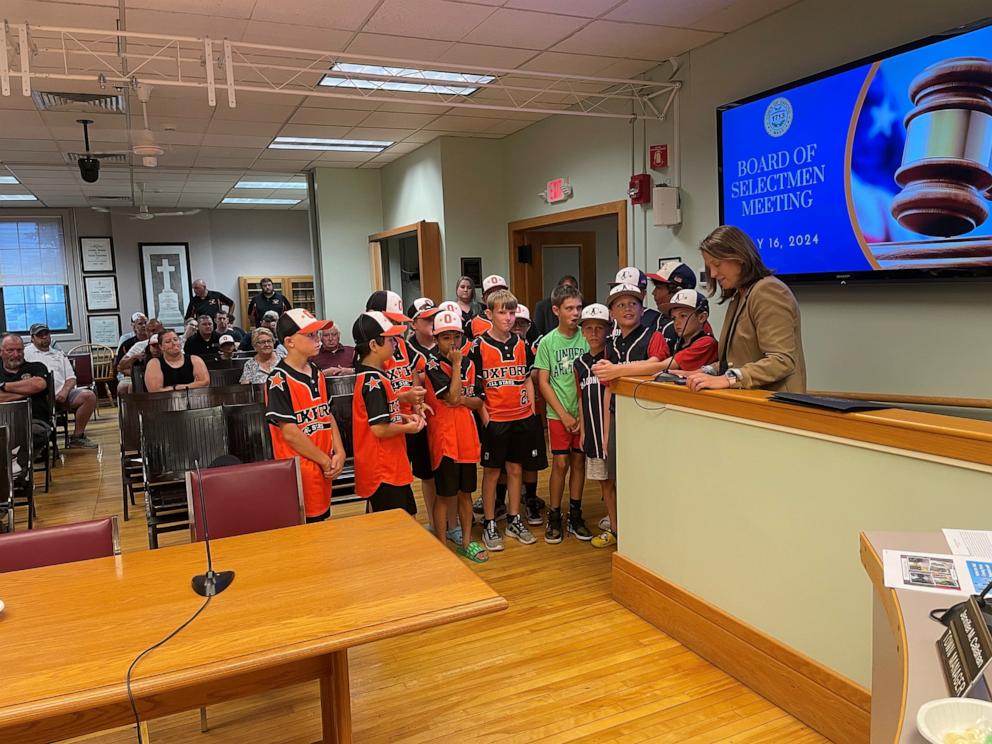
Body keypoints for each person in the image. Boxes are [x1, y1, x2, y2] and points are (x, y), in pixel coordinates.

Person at [684, 225, 806, 393]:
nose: (712, 274)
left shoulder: (768, 290)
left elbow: (781, 360)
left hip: (774, 405)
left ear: (739, 257)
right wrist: (703, 372)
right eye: (709, 267)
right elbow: (738, 361)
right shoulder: (739, 296)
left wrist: (728, 379)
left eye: (717, 264)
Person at [469, 288, 543, 552]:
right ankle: (490, 521)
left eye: (512, 312)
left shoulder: (522, 344)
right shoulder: (478, 346)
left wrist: (531, 409)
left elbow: (526, 378)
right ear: (489, 314)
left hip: (521, 417)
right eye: (503, 312)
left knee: (516, 469)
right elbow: (476, 389)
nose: (509, 318)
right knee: (491, 472)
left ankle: (514, 518)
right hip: (495, 419)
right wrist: (486, 419)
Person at [592, 283, 663, 549]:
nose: (627, 309)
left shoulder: (652, 336)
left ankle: (642, 533)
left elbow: (661, 366)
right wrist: (606, 431)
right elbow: (609, 388)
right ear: (612, 312)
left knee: (641, 479)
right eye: (620, 305)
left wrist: (619, 369)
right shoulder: (611, 343)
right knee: (614, 476)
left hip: (645, 419)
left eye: (632, 303)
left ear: (642, 308)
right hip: (617, 416)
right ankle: (618, 529)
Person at [264, 308, 346, 523]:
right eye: (310, 335)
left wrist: (339, 452)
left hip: (323, 465)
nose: (317, 339)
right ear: (290, 342)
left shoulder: (317, 372)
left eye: (317, 333)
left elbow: (327, 415)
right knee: (306, 530)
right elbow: (290, 433)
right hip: (300, 471)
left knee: (322, 524)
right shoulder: (278, 379)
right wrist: (325, 460)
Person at [422, 309, 488, 563]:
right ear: (437, 339)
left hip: (468, 437)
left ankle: (466, 542)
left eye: (456, 337)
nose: (452, 343)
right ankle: (440, 544)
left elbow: (476, 401)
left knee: (466, 494)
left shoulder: (472, 363)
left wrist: (461, 398)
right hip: (445, 439)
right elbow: (450, 397)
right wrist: (457, 367)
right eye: (446, 337)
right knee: (445, 495)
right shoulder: (432, 364)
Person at [366, 291, 435, 523]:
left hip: (410, 422)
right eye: (392, 320)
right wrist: (403, 398)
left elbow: (415, 372)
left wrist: (417, 403)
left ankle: (438, 526)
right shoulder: (372, 352)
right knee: (386, 493)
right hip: (389, 429)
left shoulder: (402, 345)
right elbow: (375, 398)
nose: (397, 326)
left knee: (421, 477)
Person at [534, 284, 591, 543]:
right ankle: (554, 514)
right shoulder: (548, 342)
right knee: (560, 463)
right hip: (558, 414)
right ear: (556, 310)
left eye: (579, 307)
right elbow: (543, 382)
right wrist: (563, 414)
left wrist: (580, 415)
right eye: (570, 308)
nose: (576, 313)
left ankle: (575, 514)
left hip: (583, 413)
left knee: (579, 462)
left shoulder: (587, 338)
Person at [351, 310, 421, 514]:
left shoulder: (376, 376)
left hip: (390, 465)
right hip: (383, 468)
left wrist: (403, 416)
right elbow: (379, 429)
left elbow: (382, 414)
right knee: (395, 526)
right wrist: (408, 427)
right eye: (390, 340)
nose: (396, 344)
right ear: (373, 345)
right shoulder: (372, 381)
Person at [573, 304, 616, 548]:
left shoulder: (613, 359)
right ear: (583, 331)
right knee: (604, 482)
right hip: (592, 430)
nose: (593, 333)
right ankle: (614, 522)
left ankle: (619, 525)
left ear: (608, 330)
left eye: (599, 328)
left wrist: (607, 434)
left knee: (616, 481)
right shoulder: (579, 363)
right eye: (588, 328)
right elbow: (580, 396)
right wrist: (584, 430)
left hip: (611, 432)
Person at [24, 323, 98, 449]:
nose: (44, 337)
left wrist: (64, 391)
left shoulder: (58, 354)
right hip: (39, 398)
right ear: (32, 338)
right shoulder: (26, 353)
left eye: (46, 334)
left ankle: (77, 437)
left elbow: (71, 378)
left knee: (89, 396)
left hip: (61, 395)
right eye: (39, 335)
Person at [0, 333, 51, 456]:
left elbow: (38, 385)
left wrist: (4, 386)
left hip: (33, 421)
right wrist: (27, 392)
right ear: (1, 352)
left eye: (19, 350)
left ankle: (20, 471)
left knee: (34, 433)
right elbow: (33, 388)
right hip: (1, 422)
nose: (16, 354)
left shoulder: (36, 367)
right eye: (10, 350)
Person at [647, 290, 719, 374]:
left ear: (702, 317)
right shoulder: (677, 342)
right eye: (674, 318)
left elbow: (661, 366)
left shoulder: (706, 343)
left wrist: (628, 370)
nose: (677, 322)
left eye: (683, 316)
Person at [145, 329, 209, 392]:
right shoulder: (154, 363)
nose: (173, 343)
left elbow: (205, 383)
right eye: (168, 341)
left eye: (175, 340)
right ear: (161, 347)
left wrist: (176, 387)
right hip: (166, 401)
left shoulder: (195, 360)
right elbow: (155, 391)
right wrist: (192, 386)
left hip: (195, 399)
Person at [117, 318, 165, 393]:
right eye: (149, 331)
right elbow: (120, 366)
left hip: (166, 373)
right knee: (131, 386)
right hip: (143, 375)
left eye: (154, 330)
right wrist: (135, 357)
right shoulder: (139, 345)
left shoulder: (170, 343)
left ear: (162, 329)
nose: (152, 334)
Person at [115, 314, 150, 394]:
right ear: (134, 327)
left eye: (145, 323)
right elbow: (120, 367)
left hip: (152, 372)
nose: (144, 326)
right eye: (140, 324)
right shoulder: (126, 344)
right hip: (131, 374)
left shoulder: (155, 341)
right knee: (123, 387)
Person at [465, 275, 507, 340]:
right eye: (491, 293)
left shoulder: (518, 317)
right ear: (483, 299)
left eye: (500, 292)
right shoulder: (473, 322)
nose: (496, 297)